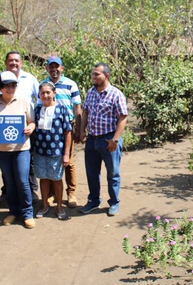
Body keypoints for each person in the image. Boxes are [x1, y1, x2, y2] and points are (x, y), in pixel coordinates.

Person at [0, 71, 36, 229]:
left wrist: (30, 128)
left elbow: (32, 121)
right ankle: (13, 212)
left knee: (22, 180)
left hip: (21, 149)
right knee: (10, 182)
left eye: (13, 85)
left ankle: (27, 213)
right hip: (1, 150)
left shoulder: (25, 101)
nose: (10, 88)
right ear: (0, 87)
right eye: (6, 86)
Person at [0, 51, 40, 205]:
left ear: (21, 63)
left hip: (24, 130)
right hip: (3, 132)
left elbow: (40, 98)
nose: (14, 63)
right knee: (7, 167)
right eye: (10, 60)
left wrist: (34, 122)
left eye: (16, 61)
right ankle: (7, 192)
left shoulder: (30, 79)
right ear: (6, 62)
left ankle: (31, 192)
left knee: (27, 163)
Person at [79, 63, 128, 216]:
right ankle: (93, 201)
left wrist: (115, 140)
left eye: (96, 74)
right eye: (93, 74)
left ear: (106, 76)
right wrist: (81, 131)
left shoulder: (116, 94)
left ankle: (113, 202)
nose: (93, 77)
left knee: (112, 173)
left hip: (108, 140)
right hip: (92, 140)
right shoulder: (91, 93)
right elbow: (85, 112)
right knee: (92, 173)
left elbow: (122, 117)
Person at [40, 55, 82, 208]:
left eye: (57, 66)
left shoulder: (71, 84)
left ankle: (71, 193)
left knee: (68, 161)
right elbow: (39, 107)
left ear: (62, 68)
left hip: (67, 127)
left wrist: (79, 129)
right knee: (50, 161)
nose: (54, 69)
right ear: (47, 68)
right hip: (48, 128)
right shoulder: (44, 85)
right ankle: (51, 194)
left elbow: (77, 107)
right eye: (51, 66)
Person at [34, 81, 72, 220]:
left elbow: (68, 132)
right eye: (42, 93)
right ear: (39, 94)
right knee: (43, 179)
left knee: (56, 179)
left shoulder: (62, 109)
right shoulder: (37, 109)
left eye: (48, 92)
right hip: (39, 152)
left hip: (56, 152)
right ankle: (44, 206)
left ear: (54, 93)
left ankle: (60, 207)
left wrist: (66, 154)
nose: (45, 95)